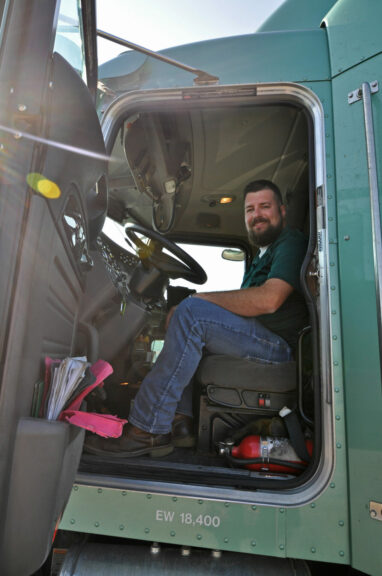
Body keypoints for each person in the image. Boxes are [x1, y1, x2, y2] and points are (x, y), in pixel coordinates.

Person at [85, 180, 308, 458]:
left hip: (278, 347)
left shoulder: (290, 242)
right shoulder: (264, 255)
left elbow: (268, 300)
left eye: (265, 207)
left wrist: (198, 300)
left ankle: (147, 429)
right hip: (262, 338)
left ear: (283, 211)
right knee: (192, 314)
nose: (257, 215)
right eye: (250, 209)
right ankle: (181, 423)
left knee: (192, 313)